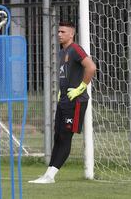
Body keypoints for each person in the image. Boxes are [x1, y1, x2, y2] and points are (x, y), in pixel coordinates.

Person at [28, 21, 96, 184]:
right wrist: (61, 91)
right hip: (64, 99)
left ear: (71, 34)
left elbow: (91, 67)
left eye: (63, 32)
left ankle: (51, 176)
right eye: (58, 31)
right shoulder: (62, 52)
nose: (59, 34)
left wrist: (81, 88)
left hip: (76, 101)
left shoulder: (75, 49)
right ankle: (47, 174)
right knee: (58, 136)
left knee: (65, 137)